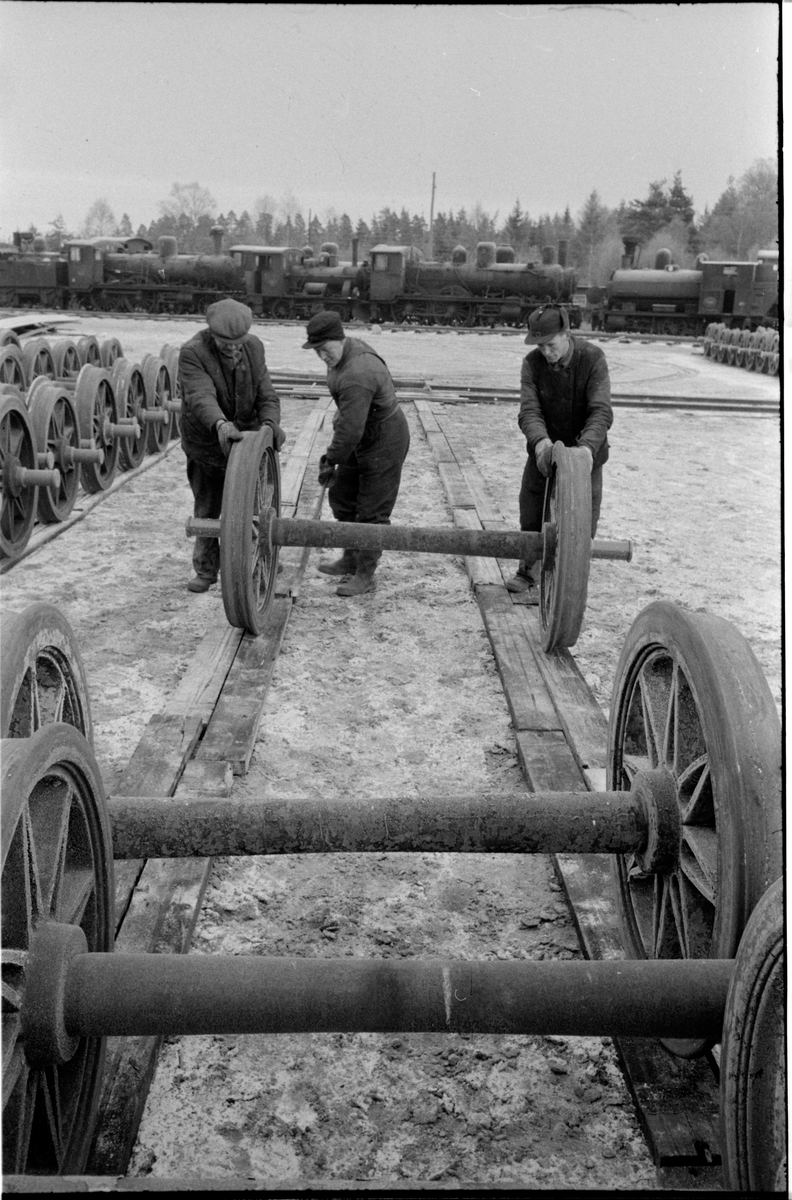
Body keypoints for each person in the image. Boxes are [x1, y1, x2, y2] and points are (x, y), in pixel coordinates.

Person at [507, 304, 613, 602]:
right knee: (531, 510)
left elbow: (601, 411)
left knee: (583, 521)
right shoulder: (532, 364)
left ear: (567, 334)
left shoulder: (592, 359)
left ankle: (572, 578)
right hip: (544, 452)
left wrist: (586, 450)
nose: (546, 352)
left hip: (586, 453)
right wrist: (541, 443)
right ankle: (528, 570)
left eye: (551, 345)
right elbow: (529, 411)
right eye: (540, 346)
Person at [179, 298, 286, 592]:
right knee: (208, 506)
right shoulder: (193, 352)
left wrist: (270, 424)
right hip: (206, 443)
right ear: (211, 334)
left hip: (247, 443)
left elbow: (266, 393)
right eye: (224, 343)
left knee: (255, 505)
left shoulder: (254, 347)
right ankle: (206, 569)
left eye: (237, 343)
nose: (232, 348)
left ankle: (262, 556)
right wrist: (220, 425)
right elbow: (201, 396)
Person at [303, 310, 410, 596]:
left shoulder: (357, 371)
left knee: (373, 510)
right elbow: (350, 417)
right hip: (362, 431)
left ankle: (365, 575)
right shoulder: (341, 355)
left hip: (385, 438)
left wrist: (330, 459)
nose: (322, 356)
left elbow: (350, 430)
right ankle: (350, 558)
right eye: (317, 351)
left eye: (325, 349)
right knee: (344, 496)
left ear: (339, 339)